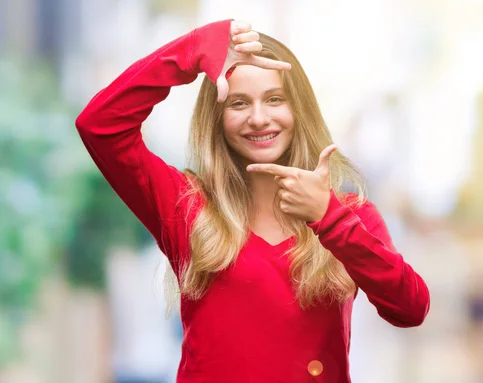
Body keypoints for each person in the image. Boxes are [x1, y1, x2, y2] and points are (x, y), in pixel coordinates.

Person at [75, 19, 430, 383]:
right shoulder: (187, 208)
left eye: (275, 99)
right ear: (217, 118)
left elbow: (410, 308)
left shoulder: (349, 215)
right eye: (239, 103)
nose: (259, 119)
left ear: (300, 111)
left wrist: (329, 218)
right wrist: (192, 51)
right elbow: (100, 125)